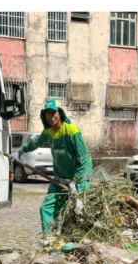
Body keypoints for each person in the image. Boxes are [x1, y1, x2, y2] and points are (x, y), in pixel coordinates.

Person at [11, 99, 93, 234]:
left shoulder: (72, 131)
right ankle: (49, 241)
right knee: (46, 208)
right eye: (48, 113)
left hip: (80, 180)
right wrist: (20, 152)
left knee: (78, 213)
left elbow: (84, 159)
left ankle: (78, 243)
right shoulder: (48, 133)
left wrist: (75, 180)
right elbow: (35, 143)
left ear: (60, 113)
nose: (51, 116)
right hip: (60, 179)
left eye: (53, 113)